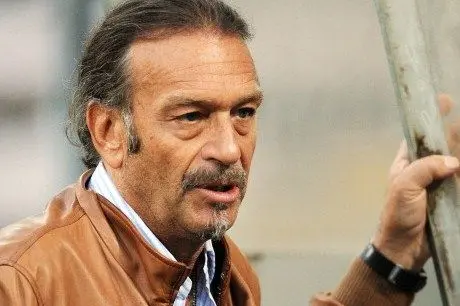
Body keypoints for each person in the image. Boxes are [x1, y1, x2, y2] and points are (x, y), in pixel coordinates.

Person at [0, 0, 458, 305]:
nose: (227, 149)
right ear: (108, 130)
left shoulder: (218, 266)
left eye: (243, 112)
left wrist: (392, 251)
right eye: (191, 117)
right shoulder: (21, 283)